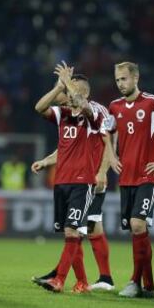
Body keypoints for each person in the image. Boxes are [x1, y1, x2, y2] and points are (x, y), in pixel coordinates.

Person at [103, 62, 154, 298]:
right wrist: (111, 155)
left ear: (136, 78)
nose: (120, 84)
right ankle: (148, 285)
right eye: (117, 80)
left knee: (138, 224)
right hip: (126, 178)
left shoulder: (153, 103)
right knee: (137, 230)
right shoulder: (114, 106)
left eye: (124, 79)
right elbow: (106, 132)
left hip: (147, 176)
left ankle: (133, 281)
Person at [31, 77, 115, 291]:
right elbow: (40, 109)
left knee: (84, 228)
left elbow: (107, 142)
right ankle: (82, 281)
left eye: (71, 90)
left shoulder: (96, 113)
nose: (67, 95)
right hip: (62, 181)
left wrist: (102, 172)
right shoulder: (64, 114)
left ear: (84, 93)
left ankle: (66, 278)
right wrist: (46, 161)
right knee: (73, 232)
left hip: (87, 180)